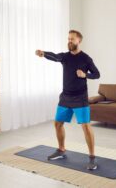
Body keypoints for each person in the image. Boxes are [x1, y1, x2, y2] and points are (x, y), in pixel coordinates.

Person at [35, 30, 100, 170]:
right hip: (66, 96)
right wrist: (44, 53)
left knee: (86, 126)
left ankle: (92, 158)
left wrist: (85, 75)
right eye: (68, 39)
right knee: (58, 124)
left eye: (72, 39)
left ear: (79, 41)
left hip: (80, 97)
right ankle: (61, 149)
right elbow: (55, 56)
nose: (69, 41)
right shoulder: (65, 57)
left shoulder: (86, 58)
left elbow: (97, 74)